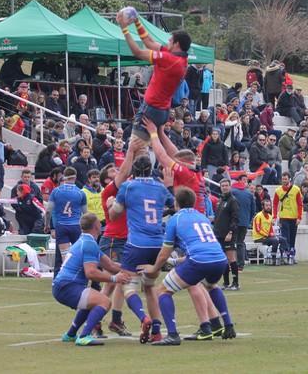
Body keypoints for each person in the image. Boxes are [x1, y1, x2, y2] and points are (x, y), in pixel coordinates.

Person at [138, 186, 236, 345]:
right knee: (211, 286)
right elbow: (201, 247)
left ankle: (172, 334)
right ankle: (227, 324)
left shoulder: (175, 219)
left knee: (163, 290)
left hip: (198, 261)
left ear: (176, 203)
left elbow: (164, 252)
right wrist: (174, 262)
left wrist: (154, 268)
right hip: (219, 259)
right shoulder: (202, 217)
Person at [108, 154, 172, 344]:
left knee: (128, 284)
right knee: (150, 287)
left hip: (137, 243)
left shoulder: (128, 187)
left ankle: (144, 318)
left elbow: (114, 215)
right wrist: (168, 186)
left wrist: (111, 204)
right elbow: (175, 205)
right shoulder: (160, 187)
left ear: (133, 172)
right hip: (157, 243)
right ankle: (158, 330)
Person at [52, 213, 131, 346]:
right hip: (67, 286)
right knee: (104, 302)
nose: (101, 224)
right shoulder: (89, 243)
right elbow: (91, 273)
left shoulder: (86, 241)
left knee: (94, 301)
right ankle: (84, 336)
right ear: (96, 226)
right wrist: (114, 278)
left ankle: (71, 334)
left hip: (63, 285)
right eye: (99, 223)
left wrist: (131, 270)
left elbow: (110, 265)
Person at [116, 9, 190, 141]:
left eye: (170, 39)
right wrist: (137, 21)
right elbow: (148, 42)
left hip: (152, 107)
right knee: (154, 143)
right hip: (162, 109)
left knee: (135, 147)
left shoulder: (171, 60)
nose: (167, 41)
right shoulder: (179, 57)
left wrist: (124, 29)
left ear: (176, 44)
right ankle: (174, 160)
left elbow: (137, 52)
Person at [99, 138, 142, 337]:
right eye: (112, 173)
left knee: (120, 281)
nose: (117, 173)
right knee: (111, 282)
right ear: (107, 180)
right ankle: (95, 320)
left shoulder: (125, 191)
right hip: (114, 239)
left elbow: (129, 173)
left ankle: (115, 320)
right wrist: (131, 151)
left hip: (125, 240)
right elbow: (125, 172)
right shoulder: (109, 190)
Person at [46, 167, 87, 274]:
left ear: (64, 176)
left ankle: (64, 279)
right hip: (76, 226)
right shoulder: (80, 193)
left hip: (61, 226)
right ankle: (78, 279)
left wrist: (47, 225)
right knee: (77, 255)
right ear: (75, 177)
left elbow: (48, 211)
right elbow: (85, 213)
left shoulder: (56, 191)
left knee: (65, 257)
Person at [213, 178, 240, 290]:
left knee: (231, 258)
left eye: (226, 185)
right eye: (222, 185)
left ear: (230, 186)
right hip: (219, 234)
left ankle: (235, 283)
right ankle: (226, 282)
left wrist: (230, 232)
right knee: (223, 259)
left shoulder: (233, 200)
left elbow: (235, 218)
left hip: (229, 235)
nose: (224, 187)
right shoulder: (221, 200)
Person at [273, 172, 302, 263]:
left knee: (292, 237)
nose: (284, 180)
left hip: (294, 217)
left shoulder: (296, 189)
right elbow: (275, 204)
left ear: (289, 179)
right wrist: (274, 216)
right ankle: (284, 255)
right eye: (283, 179)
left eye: (286, 179)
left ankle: (292, 256)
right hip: (283, 217)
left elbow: (300, 204)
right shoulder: (278, 190)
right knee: (285, 238)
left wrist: (299, 217)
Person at [252, 198, 287, 265]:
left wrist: (272, 234)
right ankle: (273, 259)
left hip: (267, 237)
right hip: (259, 238)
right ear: (263, 207)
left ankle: (283, 257)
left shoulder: (270, 216)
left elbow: (270, 229)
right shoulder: (258, 216)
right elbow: (258, 229)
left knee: (283, 239)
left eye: (269, 205)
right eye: (267, 205)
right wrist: (268, 235)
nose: (268, 207)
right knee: (275, 241)